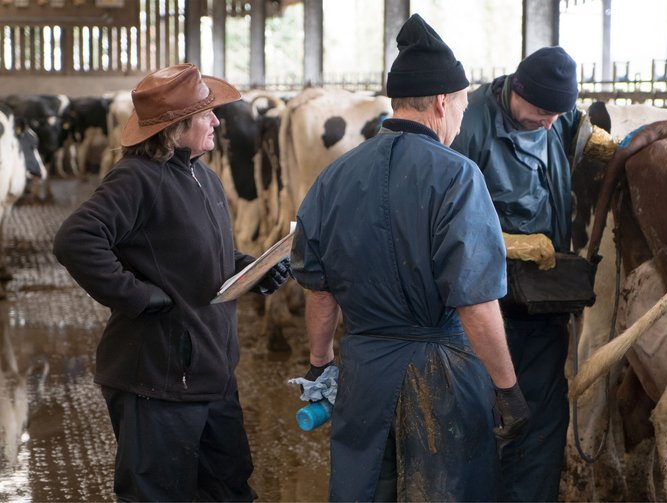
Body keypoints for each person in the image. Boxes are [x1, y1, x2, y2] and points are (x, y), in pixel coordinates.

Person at [290, 13, 530, 502]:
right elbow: (476, 302)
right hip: (441, 374)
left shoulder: (333, 178)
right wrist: (507, 388)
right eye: (462, 106)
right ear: (443, 102)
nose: (462, 119)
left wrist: (320, 362)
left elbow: (321, 290)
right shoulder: (459, 177)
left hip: (364, 374)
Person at [52, 63, 292, 502]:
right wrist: (137, 296)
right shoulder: (136, 178)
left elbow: (200, 255)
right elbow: (75, 240)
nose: (218, 121)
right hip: (158, 381)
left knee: (228, 489)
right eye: (207, 114)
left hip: (211, 374)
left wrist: (254, 269)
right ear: (178, 128)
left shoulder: (204, 175)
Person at [450, 46, 583, 501]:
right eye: (542, 111)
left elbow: (571, 126)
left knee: (544, 423)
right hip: (484, 309)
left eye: (557, 114)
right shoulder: (470, 126)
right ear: (516, 90)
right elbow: (444, 222)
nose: (548, 122)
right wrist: (509, 244)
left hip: (544, 303)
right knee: (485, 419)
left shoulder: (556, 117)